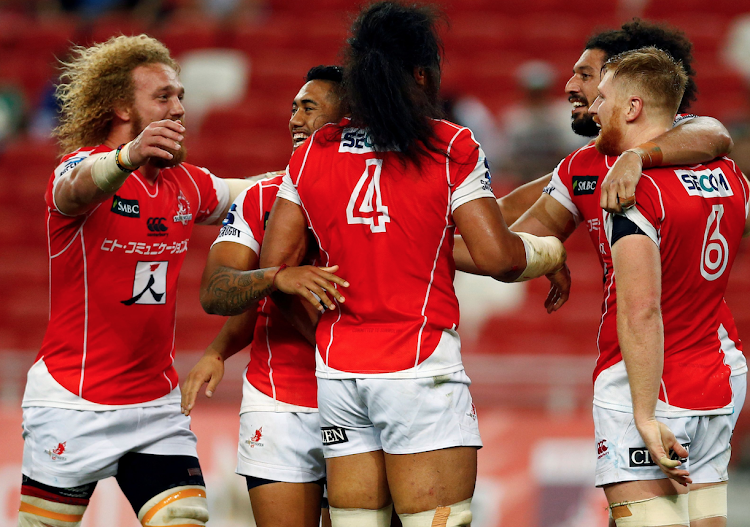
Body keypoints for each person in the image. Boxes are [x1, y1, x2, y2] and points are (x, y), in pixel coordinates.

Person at [258, 3, 568, 527]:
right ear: (422, 75)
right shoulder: (450, 145)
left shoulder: (312, 152)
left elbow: (275, 269)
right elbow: (495, 256)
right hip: (418, 367)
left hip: (339, 372)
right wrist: (548, 254)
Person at [17, 34, 251, 527]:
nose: (180, 108)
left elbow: (254, 194)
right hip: (72, 402)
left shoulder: (185, 182)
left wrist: (318, 172)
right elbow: (76, 188)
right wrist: (125, 158)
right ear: (122, 107)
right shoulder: (79, 168)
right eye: (164, 96)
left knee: (185, 518)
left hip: (154, 408)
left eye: (181, 96)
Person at [180, 65, 348, 527]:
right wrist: (275, 279)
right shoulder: (259, 197)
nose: (293, 118)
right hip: (279, 401)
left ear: (348, 116)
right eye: (292, 107)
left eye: (308, 107)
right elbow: (217, 291)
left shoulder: (381, 194)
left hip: (361, 394)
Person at [591, 46, 748, 527]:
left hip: (652, 385)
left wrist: (642, 415)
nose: (593, 110)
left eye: (602, 97)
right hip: (720, 375)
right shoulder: (731, 175)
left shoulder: (633, 190)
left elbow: (642, 311)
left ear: (632, 107)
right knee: (705, 519)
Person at [493, 19, 734, 226]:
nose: (570, 86)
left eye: (586, 75)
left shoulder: (685, 140)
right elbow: (508, 213)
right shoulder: (585, 164)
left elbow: (715, 133)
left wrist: (634, 157)